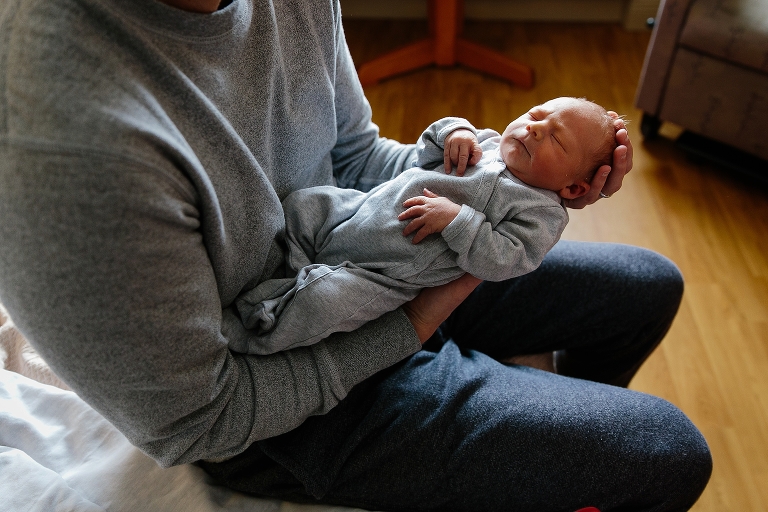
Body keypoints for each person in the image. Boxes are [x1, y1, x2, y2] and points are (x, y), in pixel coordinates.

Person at [0, 0, 711, 511]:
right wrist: (415, 328)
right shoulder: (64, 138)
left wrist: (507, 179)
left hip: (381, 253)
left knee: (650, 284)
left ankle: (563, 458)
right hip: (277, 390)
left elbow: (357, 156)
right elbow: (199, 419)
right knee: (667, 452)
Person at [238, 98, 617, 355]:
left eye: (556, 138)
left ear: (574, 188)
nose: (535, 129)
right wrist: (452, 132)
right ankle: (277, 269)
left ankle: (255, 331)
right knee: (303, 204)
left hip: (383, 274)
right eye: (536, 116)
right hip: (357, 211)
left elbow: (509, 259)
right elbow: (424, 152)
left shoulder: (541, 212)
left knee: (323, 303)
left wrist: (458, 220)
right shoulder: (485, 142)